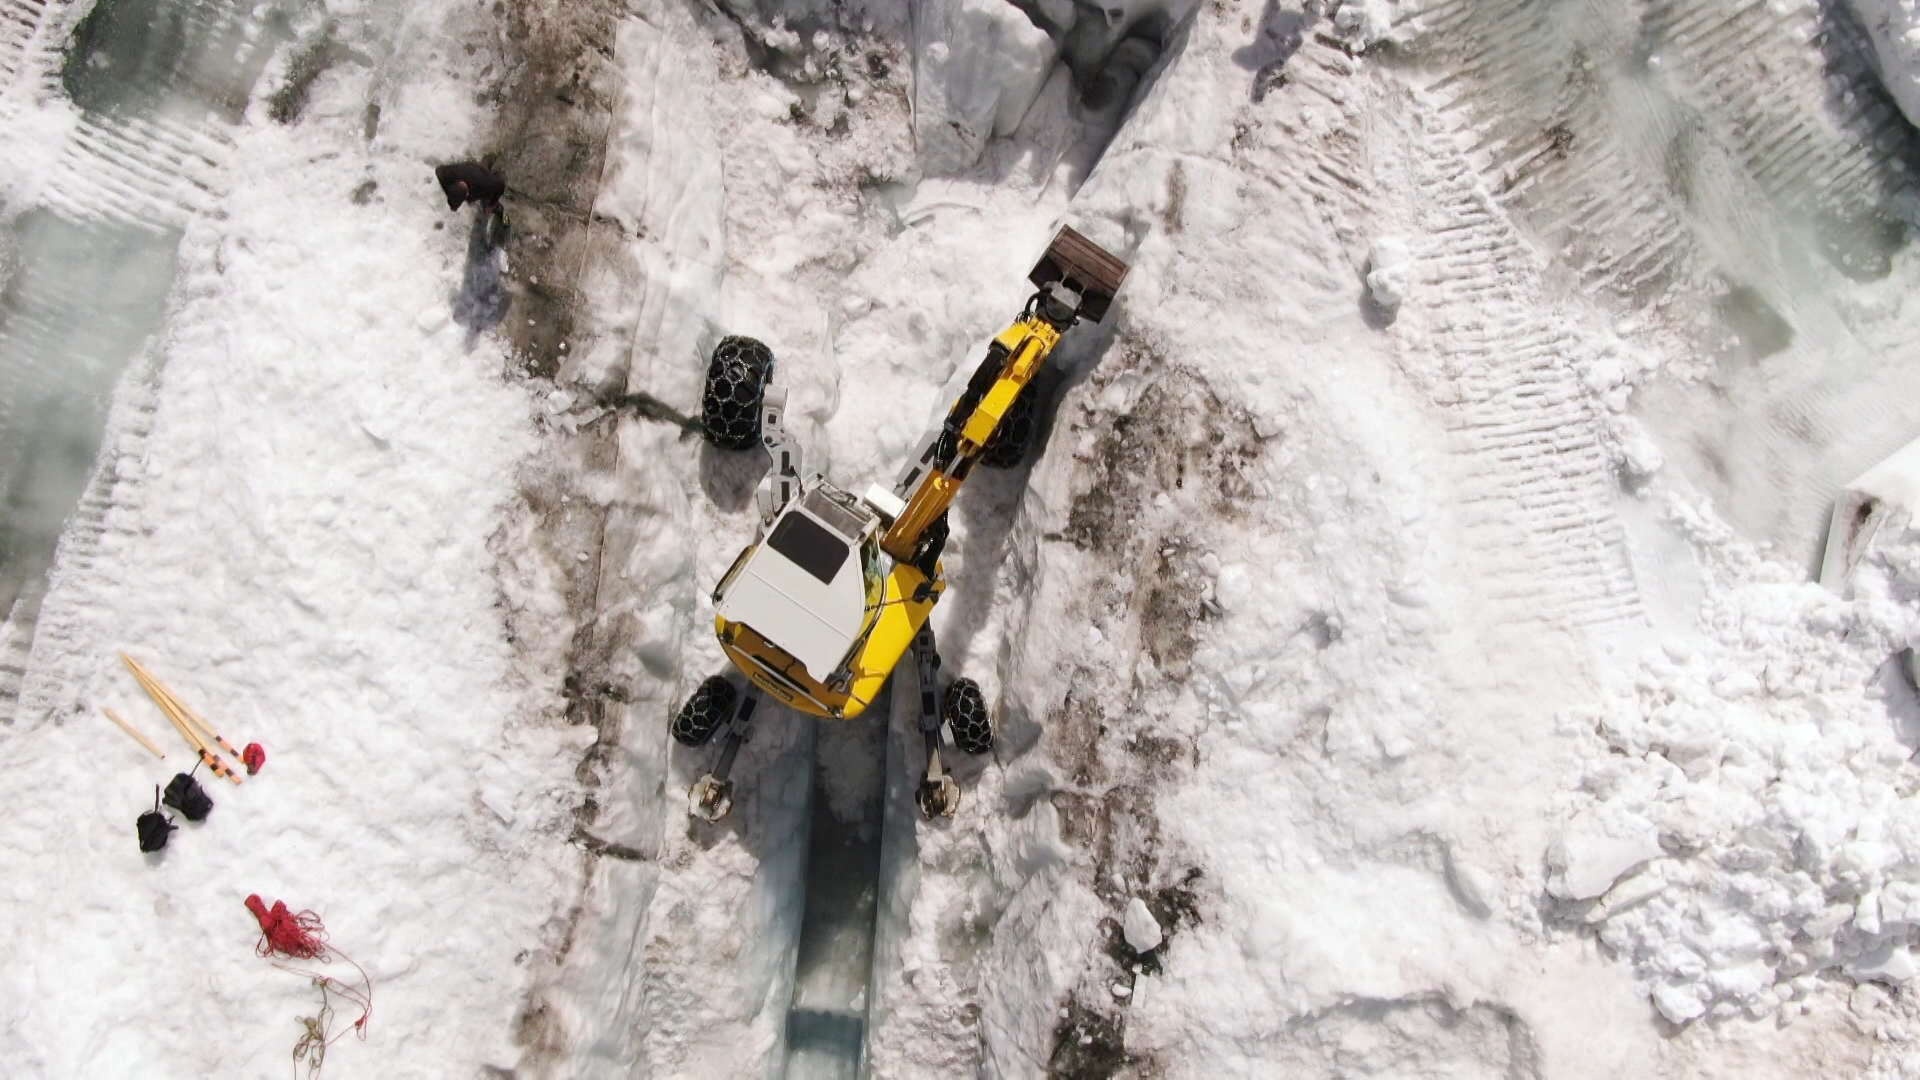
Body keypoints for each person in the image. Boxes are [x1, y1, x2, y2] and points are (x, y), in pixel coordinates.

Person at [434, 161, 508, 227]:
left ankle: (504, 215)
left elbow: (501, 186)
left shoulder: (481, 183)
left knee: (490, 197)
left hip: (481, 177)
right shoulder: (447, 174)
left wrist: (492, 204)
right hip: (468, 173)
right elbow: (438, 171)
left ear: (467, 194)